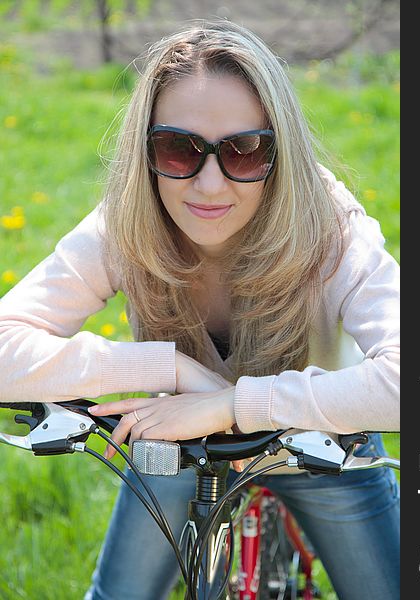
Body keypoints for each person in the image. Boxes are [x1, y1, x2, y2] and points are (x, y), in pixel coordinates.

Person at [0, 19, 399, 600]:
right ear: (145, 150)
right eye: (178, 148)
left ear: (279, 152)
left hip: (319, 442)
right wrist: (167, 371)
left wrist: (235, 403)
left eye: (244, 150)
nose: (209, 185)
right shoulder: (128, 222)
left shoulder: (329, 228)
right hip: (180, 436)